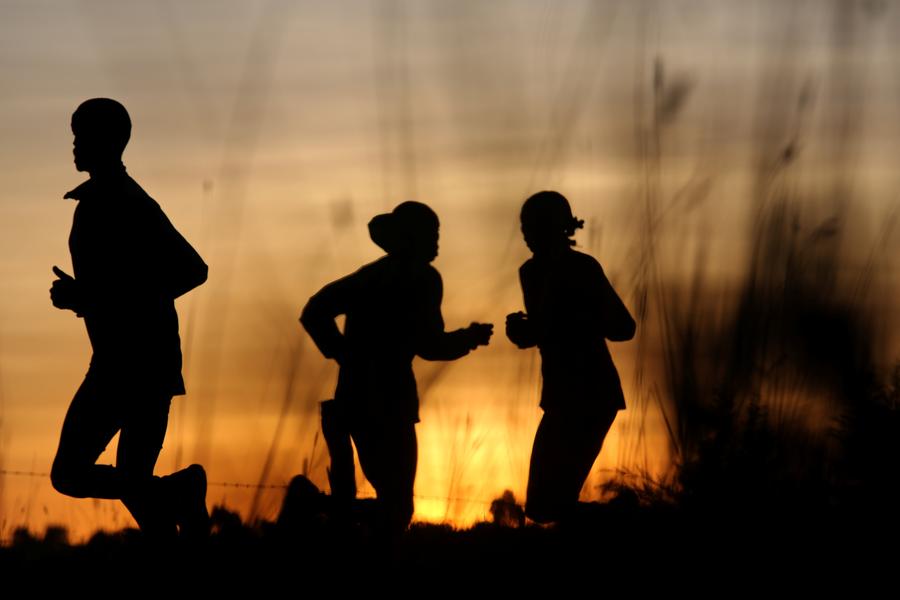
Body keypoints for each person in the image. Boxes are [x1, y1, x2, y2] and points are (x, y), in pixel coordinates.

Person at [49, 98, 210, 540]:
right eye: (74, 136)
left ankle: (182, 488)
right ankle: (181, 491)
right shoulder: (103, 199)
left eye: (83, 137)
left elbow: (192, 270)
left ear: (109, 141)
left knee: (70, 475)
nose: (76, 146)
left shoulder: (124, 200)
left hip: (131, 367)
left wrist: (87, 295)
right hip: (131, 363)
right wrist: (86, 298)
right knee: (140, 494)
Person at [301, 201, 493, 533]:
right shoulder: (423, 279)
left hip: (354, 398)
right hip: (391, 402)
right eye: (431, 234)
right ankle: (318, 508)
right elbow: (430, 346)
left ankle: (322, 509)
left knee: (392, 501)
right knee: (397, 505)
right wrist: (469, 338)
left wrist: (345, 355)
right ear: (411, 237)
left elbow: (314, 310)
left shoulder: (369, 275)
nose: (436, 242)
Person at [505, 191, 635, 523]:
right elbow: (542, 333)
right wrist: (522, 332)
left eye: (534, 226)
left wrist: (575, 317)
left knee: (552, 504)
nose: (527, 234)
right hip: (560, 396)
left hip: (593, 394)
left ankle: (627, 520)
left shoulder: (583, 268)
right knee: (542, 506)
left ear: (559, 228)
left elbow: (624, 327)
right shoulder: (530, 272)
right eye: (525, 226)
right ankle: (625, 517)